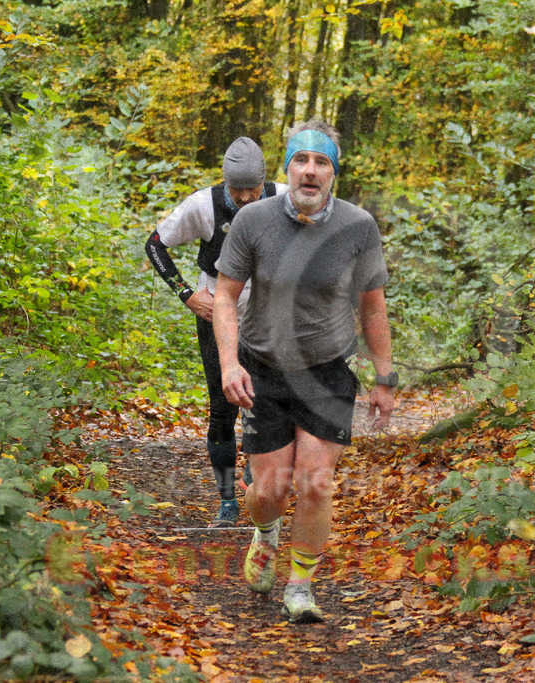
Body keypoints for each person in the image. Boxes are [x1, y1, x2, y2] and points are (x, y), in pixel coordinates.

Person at [212, 120, 397, 624]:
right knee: (269, 492)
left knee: (315, 483)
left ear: (334, 173)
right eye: (301, 160)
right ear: (287, 168)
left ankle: (300, 587)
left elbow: (373, 307)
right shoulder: (253, 221)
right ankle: (265, 531)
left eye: (321, 162)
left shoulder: (358, 227)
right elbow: (225, 297)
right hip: (264, 369)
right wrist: (229, 364)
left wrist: (385, 377)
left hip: (327, 372)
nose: (310, 171)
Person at [145, 137, 288, 528]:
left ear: (263, 181)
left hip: (267, 315)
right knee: (223, 405)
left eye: (252, 188)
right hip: (216, 314)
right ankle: (227, 501)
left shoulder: (284, 198)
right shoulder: (202, 206)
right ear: (225, 182)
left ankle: (255, 472)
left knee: (266, 400)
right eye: (236, 189)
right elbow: (155, 245)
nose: (245, 197)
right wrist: (188, 296)